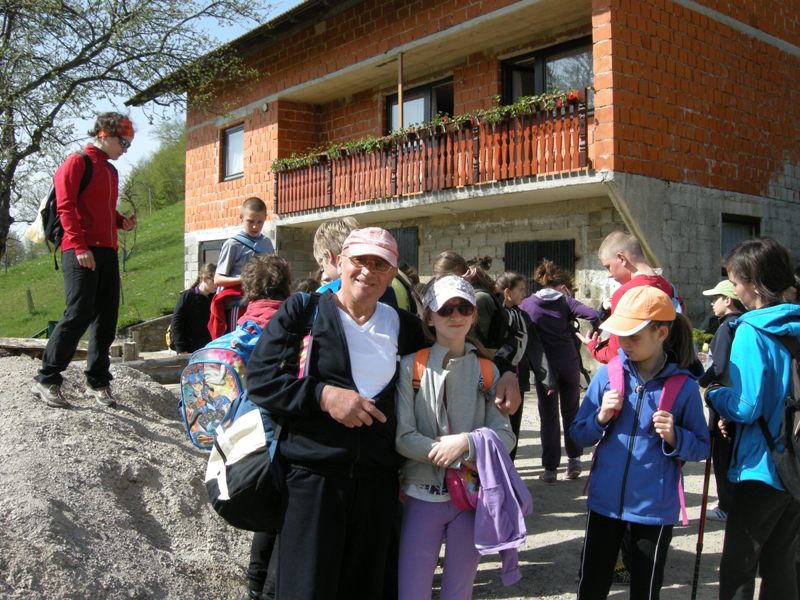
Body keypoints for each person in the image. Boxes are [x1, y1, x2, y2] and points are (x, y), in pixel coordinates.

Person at [246, 228, 521, 600]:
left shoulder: (403, 326)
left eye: (380, 265)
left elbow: (457, 343)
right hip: (314, 481)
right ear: (340, 261)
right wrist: (323, 395)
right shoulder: (303, 311)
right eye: (360, 261)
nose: (368, 272)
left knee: (367, 589)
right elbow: (261, 380)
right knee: (306, 589)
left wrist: (506, 372)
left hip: (378, 485)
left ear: (392, 274)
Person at [570, 286, 710, 600]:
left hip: (654, 509)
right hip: (604, 503)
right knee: (591, 584)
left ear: (661, 333)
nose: (624, 344)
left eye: (633, 336)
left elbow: (702, 446)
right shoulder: (607, 375)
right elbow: (578, 435)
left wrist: (675, 436)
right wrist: (600, 418)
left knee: (646, 590)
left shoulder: (684, 387)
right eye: (620, 335)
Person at [394, 275, 516, 600]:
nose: (456, 315)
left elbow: (505, 436)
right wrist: (452, 452)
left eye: (464, 307)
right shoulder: (410, 367)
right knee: (412, 591)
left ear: (474, 315)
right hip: (421, 493)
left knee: (459, 591)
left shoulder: (487, 371)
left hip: (471, 498)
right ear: (429, 317)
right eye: (446, 308)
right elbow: (403, 436)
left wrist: (465, 443)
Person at [706, 237, 800, 599]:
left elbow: (745, 406)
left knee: (738, 566)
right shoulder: (794, 323)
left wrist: (715, 394)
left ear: (755, 284)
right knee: (781, 564)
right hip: (795, 463)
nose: (734, 289)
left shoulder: (751, 331)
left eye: (736, 281)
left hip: (762, 465)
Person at [31, 112, 137, 409]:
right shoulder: (76, 162)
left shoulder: (111, 171)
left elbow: (101, 209)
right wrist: (79, 246)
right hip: (78, 248)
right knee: (78, 312)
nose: (126, 149)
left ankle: (98, 382)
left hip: (107, 250)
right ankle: (47, 378)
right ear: (105, 134)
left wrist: (120, 221)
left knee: (107, 318)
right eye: (124, 142)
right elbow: (65, 207)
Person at [235, 254, 293, 600]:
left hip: (246, 425)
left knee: (267, 509)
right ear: (286, 285)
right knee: (283, 511)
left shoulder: (244, 320)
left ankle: (254, 584)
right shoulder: (287, 319)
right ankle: (270, 588)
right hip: (280, 425)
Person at [521, 260, 600, 482]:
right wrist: (593, 334)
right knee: (571, 411)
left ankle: (550, 470)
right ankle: (574, 461)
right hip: (569, 363)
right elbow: (594, 315)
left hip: (544, 369)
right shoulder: (566, 301)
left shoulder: (527, 304)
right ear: (562, 285)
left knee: (548, 416)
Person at [587, 231, 679, 365]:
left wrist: (593, 346)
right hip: (669, 366)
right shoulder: (670, 288)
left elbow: (617, 354)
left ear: (622, 259)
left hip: (638, 373)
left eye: (608, 267)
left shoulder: (626, 294)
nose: (609, 274)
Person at [698, 279, 745, 522]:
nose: (712, 303)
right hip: (738, 397)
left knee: (722, 454)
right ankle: (732, 501)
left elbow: (717, 366)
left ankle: (726, 506)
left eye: (715, 298)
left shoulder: (727, 327)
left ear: (728, 300)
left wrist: (700, 378)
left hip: (723, 398)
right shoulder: (744, 324)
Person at [494, 271, 552, 460]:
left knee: (513, 427)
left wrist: (547, 379)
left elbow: (535, 347)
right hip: (495, 379)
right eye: (520, 290)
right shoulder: (496, 315)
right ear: (507, 292)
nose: (524, 294)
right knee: (496, 427)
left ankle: (509, 468)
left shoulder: (523, 317)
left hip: (519, 379)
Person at [208, 197, 273, 337]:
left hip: (262, 305)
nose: (255, 226)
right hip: (239, 305)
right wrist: (244, 279)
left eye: (260, 222)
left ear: (265, 218)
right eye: (250, 221)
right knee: (237, 342)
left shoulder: (267, 244)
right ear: (241, 218)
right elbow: (218, 280)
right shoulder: (232, 244)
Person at [170, 263, 216, 353]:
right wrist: (181, 349)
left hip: (210, 349)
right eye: (214, 280)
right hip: (190, 350)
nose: (217, 284)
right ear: (205, 279)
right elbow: (176, 323)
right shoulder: (188, 296)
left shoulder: (215, 298)